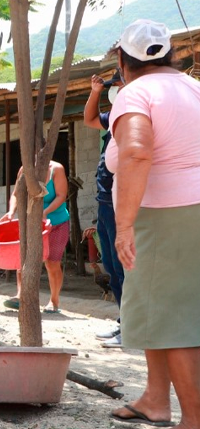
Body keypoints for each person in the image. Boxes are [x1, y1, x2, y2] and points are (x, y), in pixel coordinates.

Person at [105, 19, 200, 429]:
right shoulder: (192, 87)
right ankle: (155, 401)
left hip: (167, 213)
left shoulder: (135, 93)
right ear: (169, 55)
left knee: (173, 315)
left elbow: (137, 150)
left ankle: (194, 427)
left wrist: (124, 224)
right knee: (153, 306)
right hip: (185, 210)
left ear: (124, 62)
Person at [83, 72, 125, 347]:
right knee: (110, 263)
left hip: (123, 200)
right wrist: (95, 91)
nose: (115, 89)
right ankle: (124, 320)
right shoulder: (114, 115)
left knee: (123, 265)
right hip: (106, 201)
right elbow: (89, 119)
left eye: (116, 84)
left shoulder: (136, 112)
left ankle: (131, 326)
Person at [0, 160, 70, 313]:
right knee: (22, 258)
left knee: (52, 262)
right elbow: (16, 194)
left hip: (56, 222)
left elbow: (61, 196)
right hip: (31, 222)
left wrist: (44, 213)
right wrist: (11, 212)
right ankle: (20, 296)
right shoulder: (24, 169)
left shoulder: (56, 169)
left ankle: (54, 301)